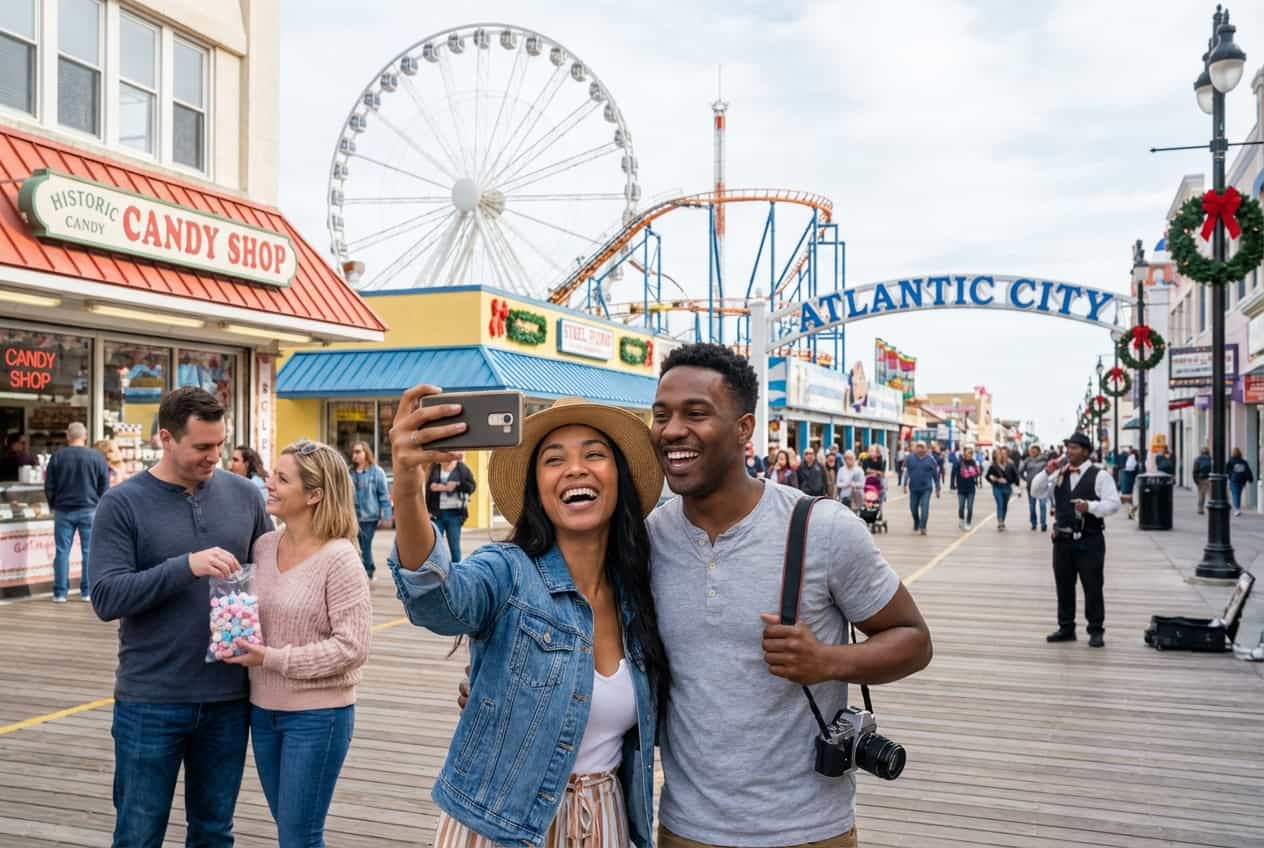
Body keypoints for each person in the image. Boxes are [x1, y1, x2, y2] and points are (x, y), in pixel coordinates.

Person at [648, 344, 931, 847]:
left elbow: (913, 640)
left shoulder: (822, 530)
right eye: (661, 415)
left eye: (696, 413)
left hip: (806, 830)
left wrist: (826, 661)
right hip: (684, 828)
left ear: (743, 428)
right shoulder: (650, 536)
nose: (671, 430)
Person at [391, 393, 669, 847]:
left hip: (606, 821)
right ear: (537, 488)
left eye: (594, 454)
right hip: (499, 825)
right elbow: (437, 601)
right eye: (553, 459)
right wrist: (407, 483)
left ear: (619, 477)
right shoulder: (508, 570)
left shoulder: (639, 591)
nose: (575, 468)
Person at [90, 387, 273, 846]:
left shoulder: (245, 496)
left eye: (220, 444)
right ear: (165, 438)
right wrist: (184, 567)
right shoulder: (122, 503)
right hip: (151, 698)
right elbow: (106, 597)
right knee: (137, 833)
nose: (215, 456)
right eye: (202, 447)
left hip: (228, 699)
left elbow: (271, 574)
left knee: (214, 833)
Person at [225, 439, 372, 848]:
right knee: (290, 827)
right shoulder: (264, 545)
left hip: (318, 716)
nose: (268, 484)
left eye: (281, 479)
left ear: (315, 494)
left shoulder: (340, 558)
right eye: (271, 475)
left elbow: (352, 648)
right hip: (262, 713)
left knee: (299, 836)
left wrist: (271, 658)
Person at [1030, 432, 1121, 648]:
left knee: (1092, 586)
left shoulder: (1100, 476)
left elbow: (1114, 504)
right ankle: (1066, 627)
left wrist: (1090, 507)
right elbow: (1036, 491)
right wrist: (1047, 470)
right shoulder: (1059, 474)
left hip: (1089, 539)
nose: (1069, 451)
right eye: (1068, 447)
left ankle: (1096, 630)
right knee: (1064, 585)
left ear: (1086, 452)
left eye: (1074, 448)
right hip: (1062, 540)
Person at [44, 422, 108, 602]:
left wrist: (53, 505)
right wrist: (100, 505)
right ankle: (87, 591)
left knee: (62, 551)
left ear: (67, 435)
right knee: (89, 551)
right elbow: (104, 484)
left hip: (63, 510)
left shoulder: (57, 456)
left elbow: (49, 485)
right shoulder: (96, 457)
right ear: (85, 436)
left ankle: (60, 593)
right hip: (90, 509)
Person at [349, 440, 392, 579]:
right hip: (353, 516)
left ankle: (368, 571)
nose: (355, 455)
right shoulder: (350, 472)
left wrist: (387, 516)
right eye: (353, 452)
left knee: (365, 545)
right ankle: (362, 570)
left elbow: (384, 496)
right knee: (355, 545)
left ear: (366, 453)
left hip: (370, 517)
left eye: (358, 452)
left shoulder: (376, 471)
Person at [425, 453, 476, 562]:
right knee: (435, 546)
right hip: (437, 514)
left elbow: (471, 487)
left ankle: (457, 572)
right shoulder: (435, 467)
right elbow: (428, 489)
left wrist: (457, 485)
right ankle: (438, 570)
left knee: (454, 546)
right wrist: (428, 510)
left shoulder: (461, 468)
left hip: (455, 514)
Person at [904, 440, 941, 535]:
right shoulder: (910, 458)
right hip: (914, 488)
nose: (920, 449)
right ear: (915, 448)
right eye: (918, 447)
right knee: (913, 508)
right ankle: (916, 521)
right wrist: (904, 484)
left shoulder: (931, 459)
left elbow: (936, 475)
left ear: (926, 449)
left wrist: (937, 488)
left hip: (926, 489)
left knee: (925, 508)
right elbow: (907, 471)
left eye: (922, 447)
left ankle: (923, 527)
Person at [986, 447, 1019, 531]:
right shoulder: (994, 465)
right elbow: (987, 476)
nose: (1003, 455)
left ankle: (1002, 521)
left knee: (1004, 505)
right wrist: (995, 480)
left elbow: (1016, 477)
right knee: (1000, 504)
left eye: (1004, 453)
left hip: (1007, 488)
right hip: (997, 487)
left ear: (1007, 455)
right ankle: (1000, 522)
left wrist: (1008, 481)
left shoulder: (1011, 465)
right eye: (1001, 453)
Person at [1020, 444, 1048, 532]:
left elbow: (1049, 471)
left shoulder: (1045, 460)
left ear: (1039, 451)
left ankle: (1043, 524)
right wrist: (1026, 479)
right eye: (1032, 451)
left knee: (1043, 505)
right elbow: (1020, 471)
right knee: (1032, 506)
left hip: (1042, 487)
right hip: (1031, 486)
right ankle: (1033, 523)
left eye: (1035, 450)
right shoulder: (1027, 461)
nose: (1033, 452)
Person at [956, 446, 981, 530]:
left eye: (970, 453)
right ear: (964, 453)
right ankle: (961, 519)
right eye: (967, 452)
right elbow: (954, 473)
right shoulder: (959, 462)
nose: (969, 454)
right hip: (961, 488)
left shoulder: (974, 462)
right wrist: (953, 484)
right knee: (961, 506)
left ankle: (968, 522)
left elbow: (978, 473)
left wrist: (974, 471)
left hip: (971, 488)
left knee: (970, 507)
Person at [1226, 447, 1254, 516]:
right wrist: (1250, 479)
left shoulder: (1231, 461)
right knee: (1238, 494)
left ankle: (1237, 509)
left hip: (1234, 480)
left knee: (1235, 494)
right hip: (1242, 480)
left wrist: (1230, 475)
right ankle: (1237, 508)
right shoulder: (1243, 461)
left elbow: (1226, 469)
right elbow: (1248, 471)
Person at [1193, 446, 1212, 515]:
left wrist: (1196, 481)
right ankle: (1211, 508)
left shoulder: (1197, 459)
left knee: (1201, 495)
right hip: (1210, 478)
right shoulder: (1211, 459)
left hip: (1201, 479)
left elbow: (1195, 471)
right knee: (1211, 495)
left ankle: (1200, 509)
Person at [1120, 447, 1139, 519]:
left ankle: (1131, 512)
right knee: (1131, 499)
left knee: (1129, 499)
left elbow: (1129, 468)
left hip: (1131, 480)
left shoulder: (1131, 458)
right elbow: (1130, 468)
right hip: (1133, 481)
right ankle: (1131, 512)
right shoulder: (1133, 458)